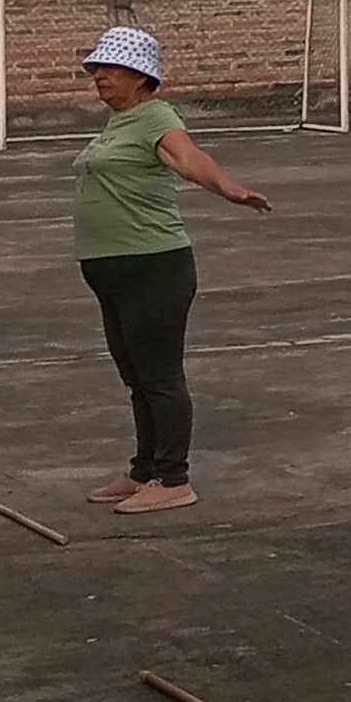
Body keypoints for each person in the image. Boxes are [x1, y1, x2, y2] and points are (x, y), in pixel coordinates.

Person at [71, 26, 272, 516]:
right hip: (112, 269)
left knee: (160, 376)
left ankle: (174, 477)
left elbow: (188, 158)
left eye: (111, 67)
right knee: (137, 377)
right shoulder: (119, 123)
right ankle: (144, 469)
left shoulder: (157, 116)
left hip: (152, 266)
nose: (100, 75)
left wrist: (229, 189)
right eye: (97, 67)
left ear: (142, 77)